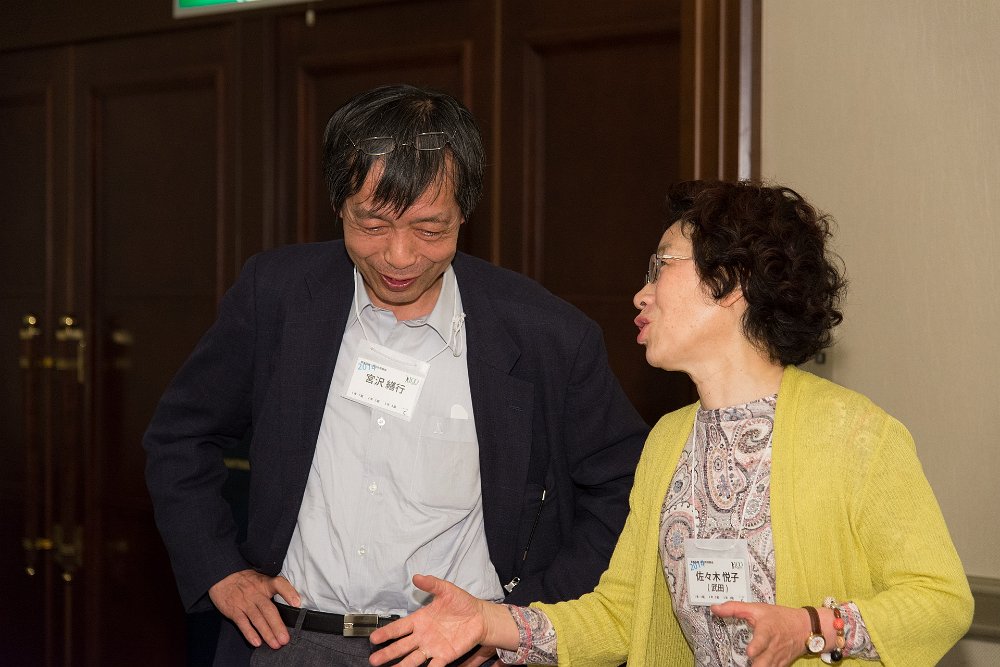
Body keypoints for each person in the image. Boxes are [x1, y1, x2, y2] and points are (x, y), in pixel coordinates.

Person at [366, 180, 974, 667]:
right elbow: (619, 616)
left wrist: (813, 627)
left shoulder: (857, 436)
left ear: (730, 282)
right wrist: (488, 621)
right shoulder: (667, 440)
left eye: (661, 268)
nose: (641, 293)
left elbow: (941, 600)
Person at [142, 84, 648, 666]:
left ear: (465, 213)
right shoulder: (277, 296)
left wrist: (521, 623)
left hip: (456, 652)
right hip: (291, 641)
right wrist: (218, 569)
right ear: (339, 205)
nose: (400, 257)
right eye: (373, 225)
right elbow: (181, 436)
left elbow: (622, 487)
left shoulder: (546, 334)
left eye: (430, 229)